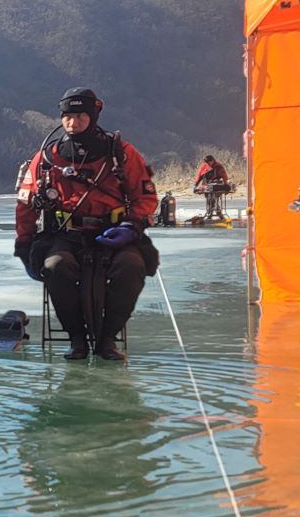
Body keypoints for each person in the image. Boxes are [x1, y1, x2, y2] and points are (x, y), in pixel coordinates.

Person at [14, 87, 159, 361]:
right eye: (67, 116)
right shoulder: (47, 158)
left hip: (113, 233)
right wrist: (24, 242)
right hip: (66, 234)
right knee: (56, 267)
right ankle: (76, 339)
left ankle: (108, 340)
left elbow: (146, 196)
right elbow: (25, 202)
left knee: (131, 267)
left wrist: (132, 226)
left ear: (94, 115)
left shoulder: (121, 153)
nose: (73, 122)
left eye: (80, 115)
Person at [193, 154, 231, 220]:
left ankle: (213, 214)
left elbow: (224, 176)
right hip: (207, 185)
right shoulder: (205, 166)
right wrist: (196, 185)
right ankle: (215, 213)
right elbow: (200, 176)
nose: (208, 164)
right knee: (209, 199)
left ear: (213, 160)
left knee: (213, 199)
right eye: (207, 163)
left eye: (209, 162)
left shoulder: (218, 166)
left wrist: (226, 184)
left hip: (217, 186)